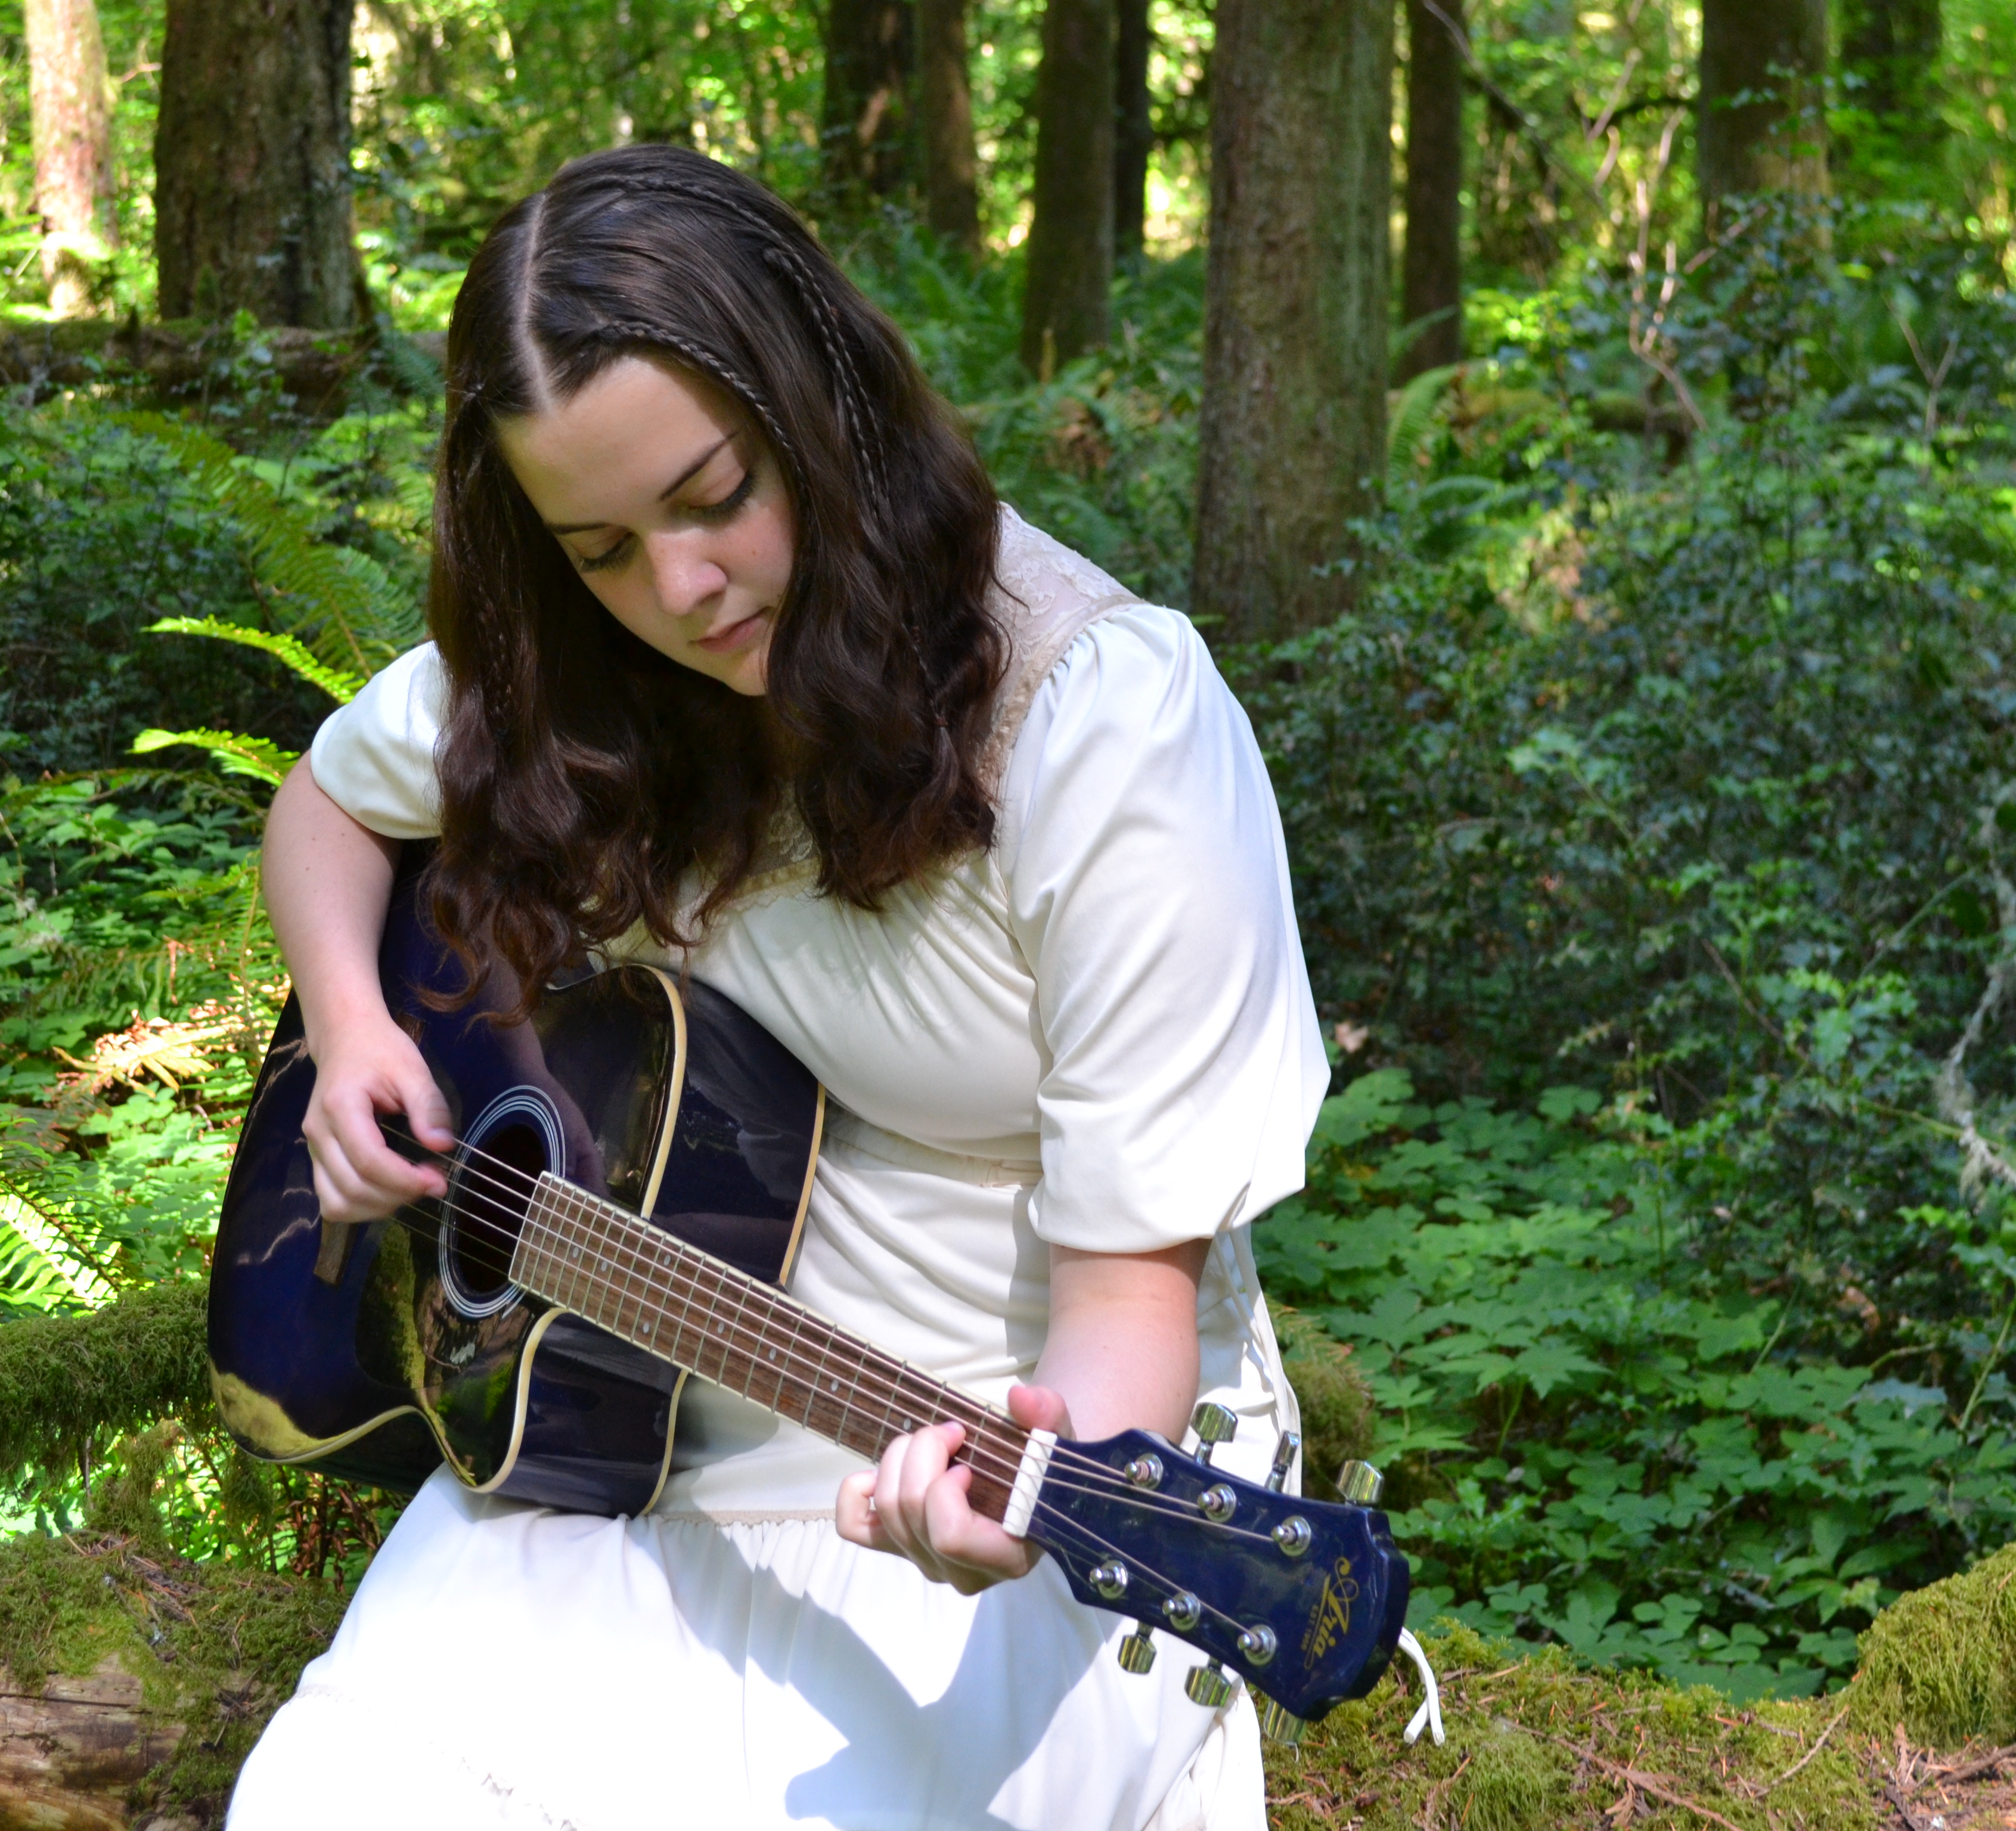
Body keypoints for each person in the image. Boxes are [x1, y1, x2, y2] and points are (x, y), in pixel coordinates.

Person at [226, 144, 1326, 1831]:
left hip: (988, 1427)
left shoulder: (1105, 722)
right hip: (622, 1411)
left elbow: (1127, 1317)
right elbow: (325, 806)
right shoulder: (579, 668)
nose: (679, 590)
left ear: (825, 409)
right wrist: (356, 1036)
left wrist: (1028, 1504)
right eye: (597, 546)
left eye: (714, 494)